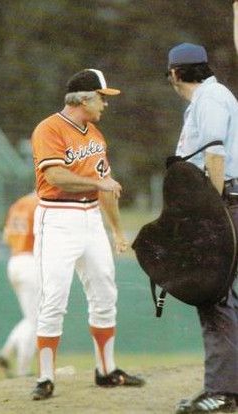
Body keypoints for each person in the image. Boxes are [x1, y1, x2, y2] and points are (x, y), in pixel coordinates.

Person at [30, 68, 145, 400]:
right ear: (83, 98)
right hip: (57, 218)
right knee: (54, 298)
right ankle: (45, 377)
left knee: (105, 292)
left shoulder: (95, 135)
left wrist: (118, 232)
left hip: (91, 218)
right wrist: (99, 183)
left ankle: (106, 370)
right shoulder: (49, 128)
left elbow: (106, 189)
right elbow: (55, 177)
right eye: (101, 98)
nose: (105, 105)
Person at [166, 42, 238, 413]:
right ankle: (226, 387)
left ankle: (222, 392)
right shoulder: (214, 96)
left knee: (214, 298)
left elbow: (214, 153)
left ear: (176, 74)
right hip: (225, 201)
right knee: (222, 297)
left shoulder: (209, 100)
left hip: (222, 201)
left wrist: (210, 210)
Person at [0, 191, 39, 377]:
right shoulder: (40, 204)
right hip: (30, 261)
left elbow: (6, 237)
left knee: (31, 316)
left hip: (14, 261)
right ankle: (23, 370)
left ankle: (6, 351)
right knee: (37, 320)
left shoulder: (18, 204)